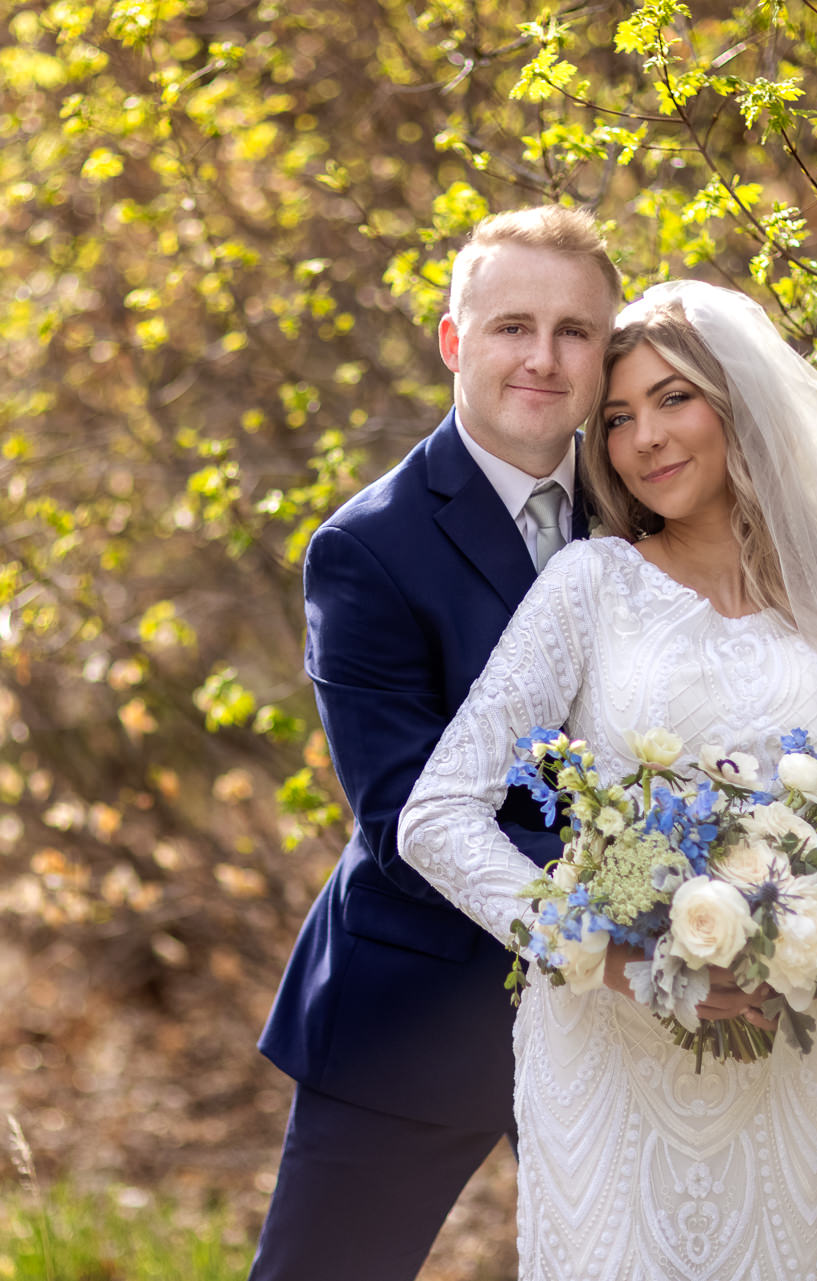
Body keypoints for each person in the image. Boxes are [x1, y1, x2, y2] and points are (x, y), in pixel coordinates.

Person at [398, 281, 817, 1279]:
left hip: (783, 1060)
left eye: (672, 400)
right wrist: (604, 953)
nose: (643, 438)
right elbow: (435, 816)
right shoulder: (591, 588)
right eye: (615, 418)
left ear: (738, 404)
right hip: (603, 1054)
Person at [248, 206, 627, 1279]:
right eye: (513, 326)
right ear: (455, 342)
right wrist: (628, 907)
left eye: (574, 331)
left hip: (629, 1022)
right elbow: (401, 807)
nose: (543, 359)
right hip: (420, 1005)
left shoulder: (646, 504)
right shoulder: (370, 548)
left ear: (608, 354)